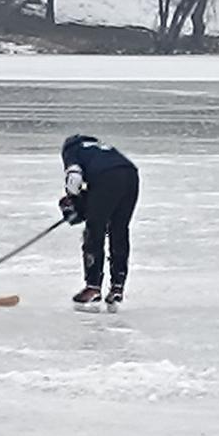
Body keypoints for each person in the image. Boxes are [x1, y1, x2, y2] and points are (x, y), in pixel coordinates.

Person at [58, 134, 139, 313]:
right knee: (119, 230)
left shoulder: (72, 149)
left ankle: (93, 287)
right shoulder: (103, 149)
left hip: (106, 178)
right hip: (130, 175)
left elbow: (74, 180)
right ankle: (117, 286)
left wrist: (73, 202)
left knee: (95, 232)